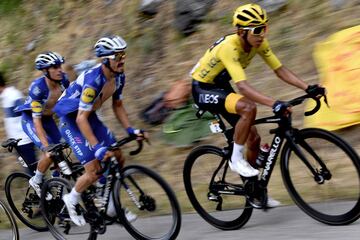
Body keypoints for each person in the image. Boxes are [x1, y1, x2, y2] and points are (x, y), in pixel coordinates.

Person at [190, 3, 324, 207]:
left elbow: (280, 70)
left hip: (221, 86)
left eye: (265, 28)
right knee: (248, 107)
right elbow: (243, 87)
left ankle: (253, 191)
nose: (262, 34)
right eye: (257, 30)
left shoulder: (258, 43)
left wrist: (308, 87)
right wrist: (274, 103)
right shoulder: (229, 47)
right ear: (241, 32)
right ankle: (236, 160)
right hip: (203, 88)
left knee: (253, 139)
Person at [54, 35, 147, 226]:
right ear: (105, 60)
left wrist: (131, 129)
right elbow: (80, 118)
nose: (122, 59)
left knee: (118, 155)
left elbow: (118, 105)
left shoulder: (119, 76)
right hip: (71, 120)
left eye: (123, 54)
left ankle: (111, 205)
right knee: (94, 170)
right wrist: (96, 147)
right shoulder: (93, 81)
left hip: (89, 116)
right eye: (118, 56)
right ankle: (71, 199)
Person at [15, 51, 69, 197]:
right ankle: (37, 180)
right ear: (45, 71)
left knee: (62, 151)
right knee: (50, 152)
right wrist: (46, 146)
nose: (60, 70)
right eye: (55, 67)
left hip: (48, 119)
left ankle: (57, 187)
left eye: (60, 66)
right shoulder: (38, 88)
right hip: (31, 120)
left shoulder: (64, 80)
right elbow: (37, 120)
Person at [0, 71, 37, 175]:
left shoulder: (13, 95)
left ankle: (44, 189)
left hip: (24, 141)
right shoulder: (5, 96)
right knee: (31, 172)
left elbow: (27, 114)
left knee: (33, 173)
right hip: (17, 142)